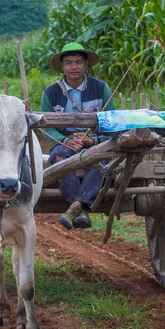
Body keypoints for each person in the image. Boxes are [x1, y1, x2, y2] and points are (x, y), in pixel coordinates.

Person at [41, 42, 116, 230]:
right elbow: (47, 127)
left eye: (78, 62)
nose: (74, 66)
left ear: (86, 65)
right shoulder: (50, 93)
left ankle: (74, 207)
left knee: (101, 159)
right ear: (62, 67)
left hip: (95, 142)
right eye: (68, 63)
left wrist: (94, 140)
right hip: (64, 143)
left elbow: (112, 122)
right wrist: (66, 140)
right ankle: (81, 209)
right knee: (59, 157)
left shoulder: (102, 88)